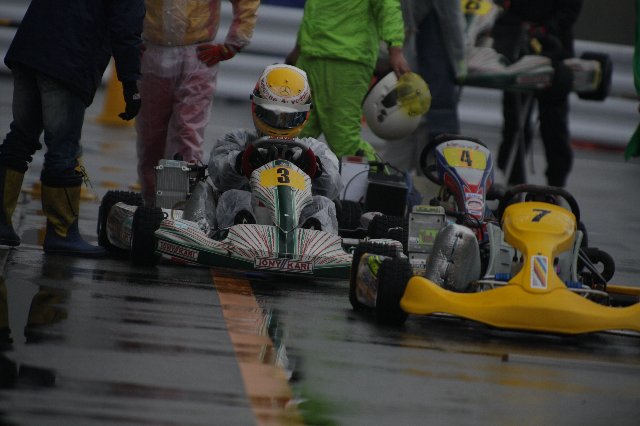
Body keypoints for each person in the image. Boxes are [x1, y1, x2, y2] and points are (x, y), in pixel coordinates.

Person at [0, 0, 145, 256]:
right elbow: (126, 28)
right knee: (63, 149)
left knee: (19, 139)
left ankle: (1, 222)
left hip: (29, 49)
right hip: (69, 58)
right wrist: (131, 84)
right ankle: (62, 233)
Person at [136, 0, 260, 206]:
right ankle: (152, 202)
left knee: (187, 134)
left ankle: (178, 204)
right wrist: (124, 37)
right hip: (154, 51)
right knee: (151, 137)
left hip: (196, 55)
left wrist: (232, 45)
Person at [206, 64, 343, 234]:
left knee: (323, 204)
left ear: (304, 114)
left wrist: (316, 169)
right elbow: (218, 174)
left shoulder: (314, 149)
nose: (280, 124)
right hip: (252, 222)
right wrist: (239, 162)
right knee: (233, 197)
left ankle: (314, 237)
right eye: (272, 115)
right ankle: (238, 232)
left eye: (289, 118)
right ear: (256, 106)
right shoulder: (238, 140)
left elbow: (332, 187)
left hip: (298, 223)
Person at [285, 0, 411, 162]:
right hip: (310, 56)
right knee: (294, 132)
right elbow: (314, 9)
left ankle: (380, 175)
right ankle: (282, 173)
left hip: (346, 60)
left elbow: (388, 5)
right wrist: (299, 48)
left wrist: (395, 49)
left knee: (344, 141)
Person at [493, 0, 583, 187]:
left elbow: (571, 9)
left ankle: (555, 185)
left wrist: (546, 29)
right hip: (517, 45)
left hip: (555, 49)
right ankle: (513, 182)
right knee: (514, 120)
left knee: (554, 122)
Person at [381, 0, 466, 174]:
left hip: (403, 91)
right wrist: (460, 64)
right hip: (431, 93)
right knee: (430, 168)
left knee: (395, 167)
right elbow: (454, 27)